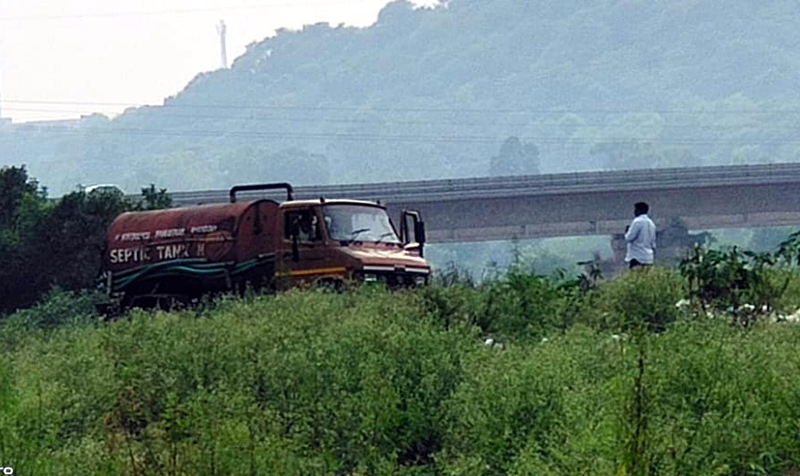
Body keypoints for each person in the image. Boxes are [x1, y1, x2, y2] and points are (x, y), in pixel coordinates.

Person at [624, 202, 656, 269]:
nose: (634, 212)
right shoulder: (651, 223)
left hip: (637, 257)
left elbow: (629, 238)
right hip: (648, 257)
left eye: (635, 210)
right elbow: (653, 243)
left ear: (639, 210)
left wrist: (627, 231)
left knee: (636, 277)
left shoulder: (637, 222)